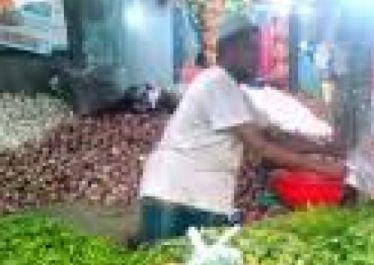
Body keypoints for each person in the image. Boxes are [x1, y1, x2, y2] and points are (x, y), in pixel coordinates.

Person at [138, 14, 345, 244]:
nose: (257, 57)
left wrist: (329, 148)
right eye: (250, 49)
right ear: (226, 48)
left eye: (258, 50)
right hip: (176, 196)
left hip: (196, 197)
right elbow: (261, 147)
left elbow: (274, 138)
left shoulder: (238, 94)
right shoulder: (216, 83)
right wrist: (323, 168)